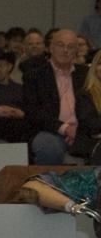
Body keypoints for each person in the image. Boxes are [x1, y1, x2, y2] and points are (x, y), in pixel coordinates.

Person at [23, 28, 86, 164]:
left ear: (76, 51)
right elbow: (33, 112)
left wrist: (80, 131)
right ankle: (48, 185)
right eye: (60, 45)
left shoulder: (85, 75)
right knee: (48, 146)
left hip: (83, 132)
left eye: (70, 47)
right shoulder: (34, 75)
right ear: (50, 48)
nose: (65, 50)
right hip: (51, 131)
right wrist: (65, 129)